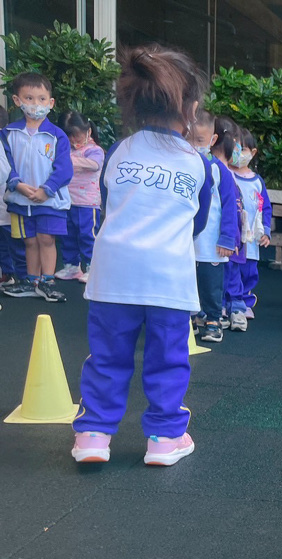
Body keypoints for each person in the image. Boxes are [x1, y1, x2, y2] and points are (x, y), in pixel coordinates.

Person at [71, 44, 212, 466]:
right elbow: (198, 222)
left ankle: (93, 434)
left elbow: (107, 205)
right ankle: (164, 439)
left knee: (107, 357)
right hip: (168, 279)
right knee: (168, 360)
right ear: (191, 108)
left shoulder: (120, 151)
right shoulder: (197, 163)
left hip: (113, 274)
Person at [1, 72, 72, 302]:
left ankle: (47, 282)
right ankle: (31, 282)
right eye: (29, 98)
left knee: (46, 239)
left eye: (41, 99)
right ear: (17, 100)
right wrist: (17, 184)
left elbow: (64, 169)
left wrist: (47, 190)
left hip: (50, 201)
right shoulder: (9, 133)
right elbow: (5, 163)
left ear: (51, 102)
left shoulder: (58, 135)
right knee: (29, 241)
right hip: (20, 200)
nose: (35, 104)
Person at [189, 109, 239, 344]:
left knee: (211, 283)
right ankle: (191, 317)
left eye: (199, 140)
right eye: (189, 138)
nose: (193, 145)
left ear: (212, 140)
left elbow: (230, 207)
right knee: (188, 279)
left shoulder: (220, 170)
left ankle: (213, 319)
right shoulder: (183, 165)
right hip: (186, 240)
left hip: (211, 242)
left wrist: (228, 238)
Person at [225, 127, 271, 331]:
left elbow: (265, 207)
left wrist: (266, 231)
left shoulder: (257, 181)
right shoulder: (227, 174)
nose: (238, 153)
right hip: (234, 236)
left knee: (249, 271)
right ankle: (230, 302)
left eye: (242, 149)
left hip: (251, 238)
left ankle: (245, 300)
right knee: (230, 270)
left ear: (252, 153)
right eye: (234, 148)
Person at [53, 111, 103, 284]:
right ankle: (72, 266)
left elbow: (95, 165)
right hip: (67, 202)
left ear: (88, 131)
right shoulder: (66, 150)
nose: (74, 140)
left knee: (88, 236)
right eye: (69, 137)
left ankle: (92, 268)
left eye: (77, 136)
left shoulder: (94, 150)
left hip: (88, 203)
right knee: (68, 235)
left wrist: (69, 160)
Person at [0, 106, 28, 293]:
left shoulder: (5, 140)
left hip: (8, 205)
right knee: (5, 245)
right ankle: (7, 274)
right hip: (6, 206)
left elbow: (4, 173)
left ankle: (25, 277)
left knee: (16, 243)